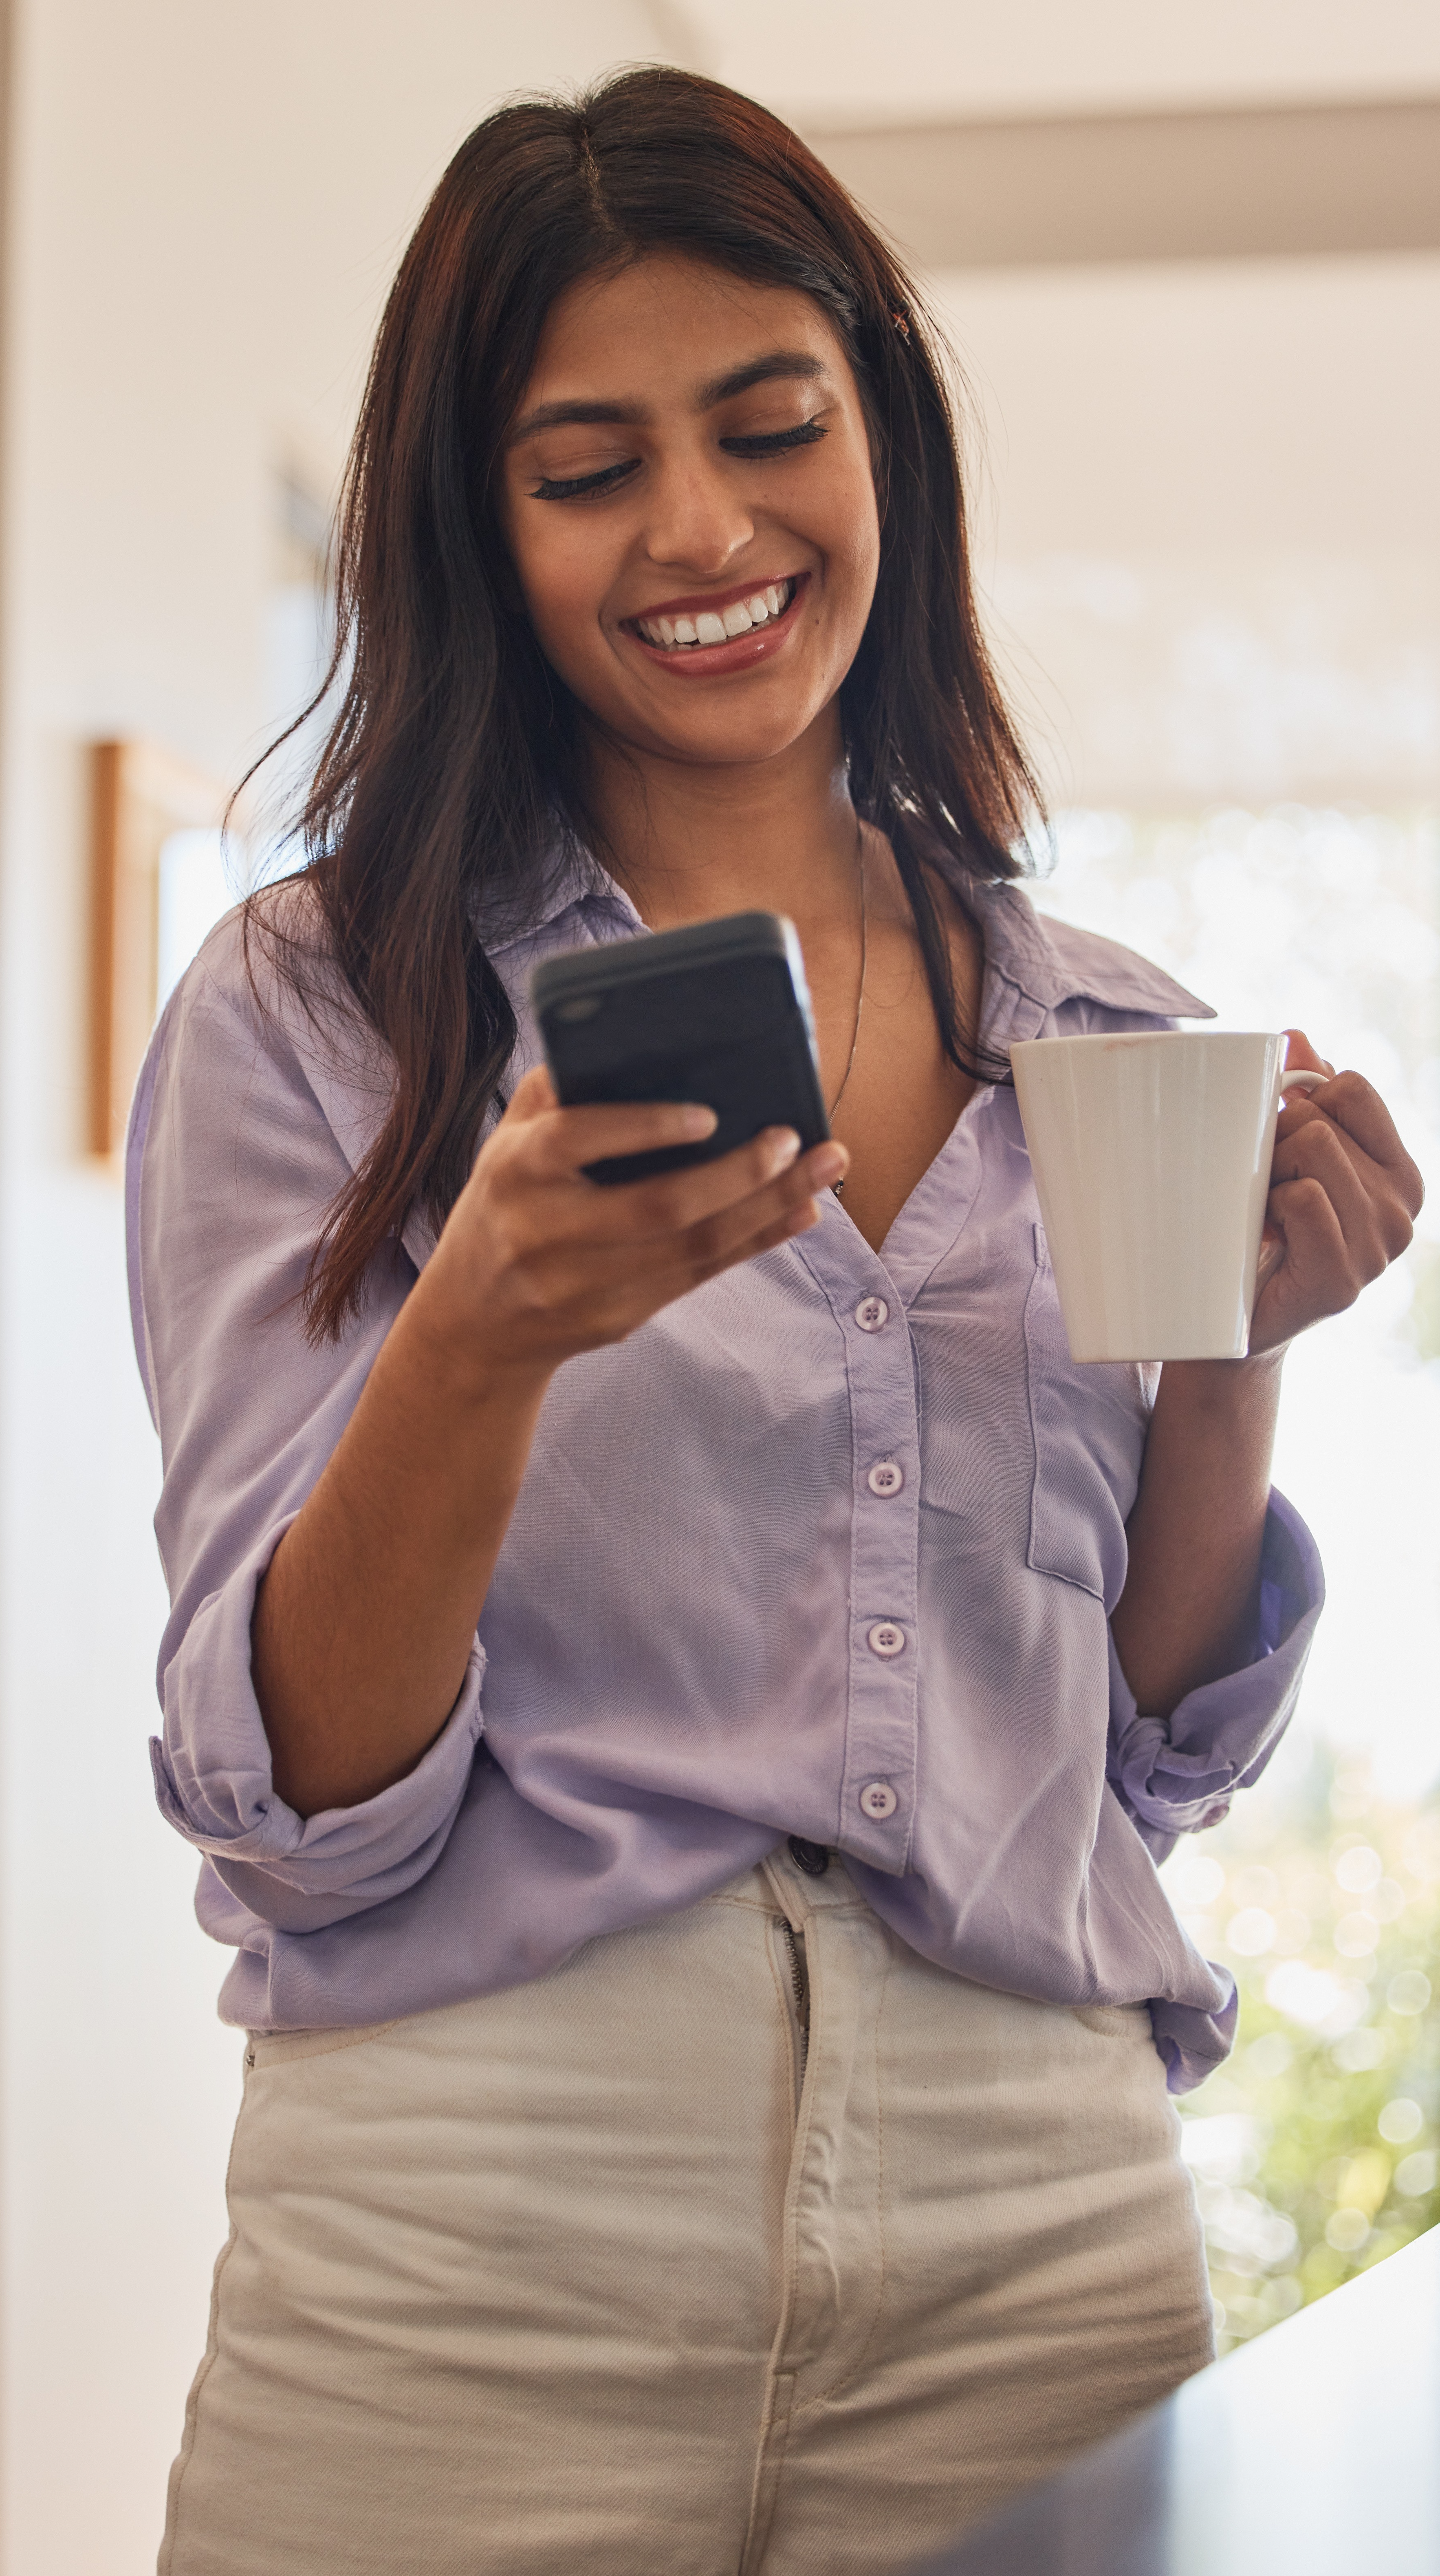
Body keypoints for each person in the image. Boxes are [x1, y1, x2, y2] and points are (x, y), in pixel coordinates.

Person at [129, 68, 1422, 2576]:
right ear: (475, 533)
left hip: (1030, 2203)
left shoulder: (1101, 1026)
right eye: (585, 462)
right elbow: (308, 1788)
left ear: (884, 446)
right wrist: (479, 1337)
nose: (702, 529)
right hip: (478, 2219)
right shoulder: (319, 1015)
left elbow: (1132, 1742)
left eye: (767, 423)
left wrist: (1236, 1346)